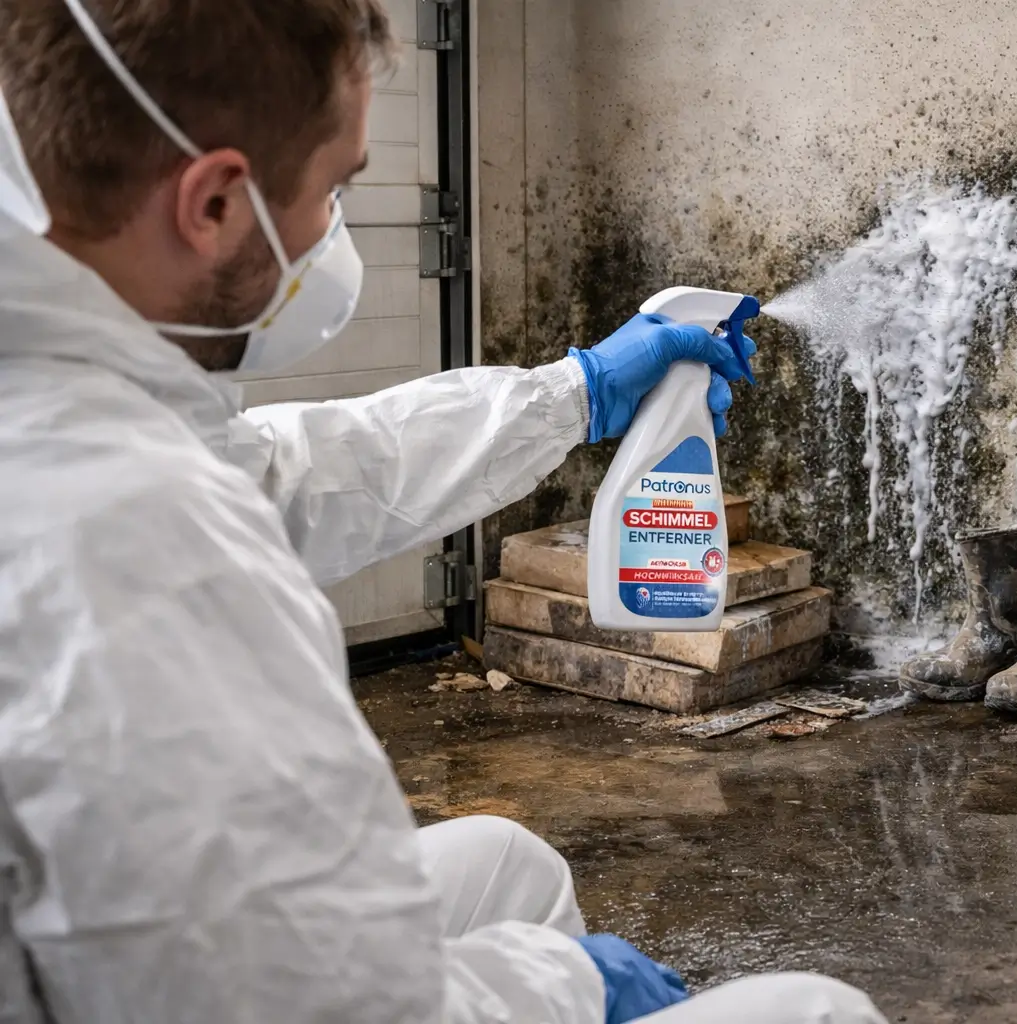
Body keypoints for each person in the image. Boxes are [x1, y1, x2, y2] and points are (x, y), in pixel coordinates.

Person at [0, 2, 888, 1022]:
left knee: (507, 865)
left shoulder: (62, 392)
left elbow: (285, 474)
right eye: (333, 188)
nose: (333, 229)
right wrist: (566, 986)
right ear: (212, 204)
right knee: (817, 1009)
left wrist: (577, 392)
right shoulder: (136, 546)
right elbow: (301, 1007)